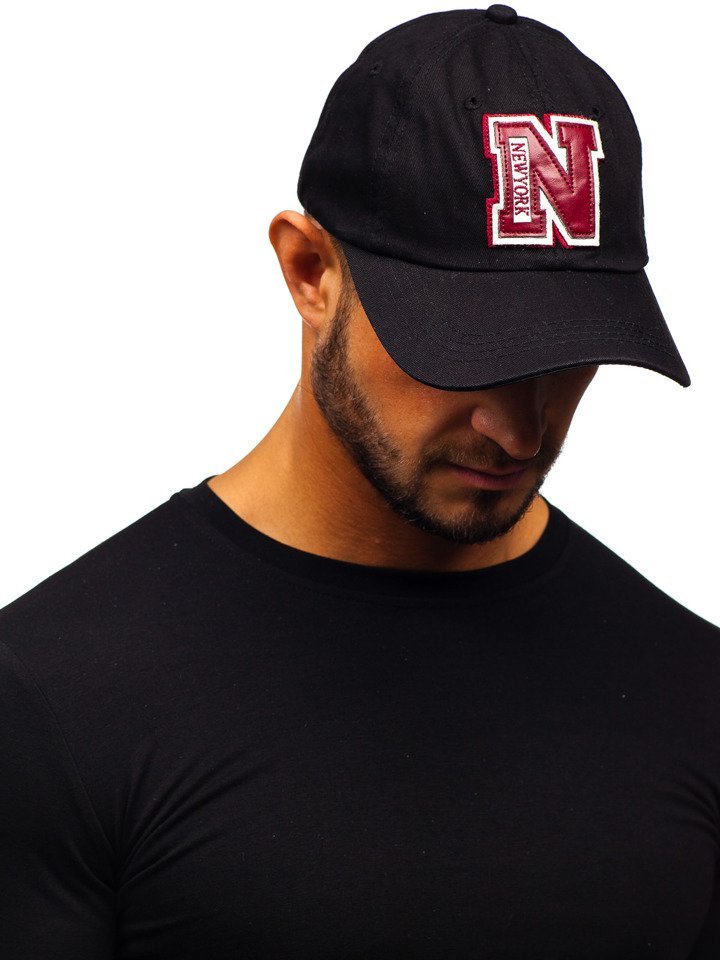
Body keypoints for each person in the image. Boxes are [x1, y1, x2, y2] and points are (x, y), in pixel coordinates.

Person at [1, 6, 718, 958]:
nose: (520, 429)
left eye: (569, 355)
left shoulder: (694, 690)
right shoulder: (52, 697)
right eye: (465, 352)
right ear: (310, 272)